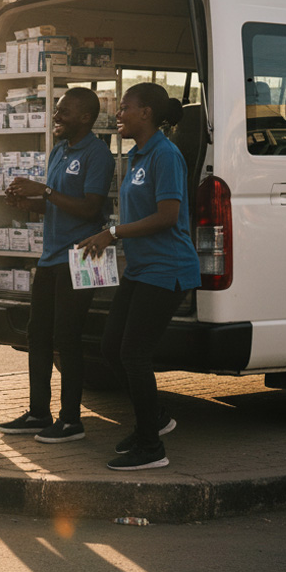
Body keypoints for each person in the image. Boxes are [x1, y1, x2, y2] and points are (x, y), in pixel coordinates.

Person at [78, 82, 201, 471]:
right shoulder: (136, 156)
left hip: (168, 268)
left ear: (146, 112)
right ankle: (157, 419)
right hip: (142, 268)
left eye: (125, 107)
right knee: (112, 347)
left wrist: (113, 233)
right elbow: (137, 215)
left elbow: (167, 215)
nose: (118, 113)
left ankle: (151, 448)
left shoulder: (166, 155)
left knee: (134, 353)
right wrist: (108, 236)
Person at [0, 88, 116, 443]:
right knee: (38, 334)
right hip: (50, 257)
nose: (56, 116)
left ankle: (70, 420)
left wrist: (44, 191)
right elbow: (57, 207)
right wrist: (27, 203)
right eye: (56, 110)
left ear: (85, 117)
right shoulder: (59, 150)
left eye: (63, 111)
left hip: (81, 256)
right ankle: (38, 412)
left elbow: (91, 209)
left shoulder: (98, 155)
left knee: (68, 336)